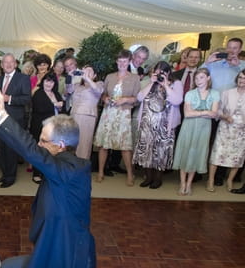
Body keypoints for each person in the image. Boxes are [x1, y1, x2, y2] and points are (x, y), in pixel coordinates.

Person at [0, 88, 124, 268]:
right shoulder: (64, 164)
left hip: (67, 253)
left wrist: (0, 113)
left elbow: (30, 152)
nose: (39, 143)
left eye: (44, 140)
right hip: (65, 249)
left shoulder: (70, 170)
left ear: (61, 145)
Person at [133, 61, 183, 189]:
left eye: (163, 72)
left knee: (161, 151)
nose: (160, 74)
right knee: (146, 150)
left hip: (165, 125)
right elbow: (139, 97)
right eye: (157, 72)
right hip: (147, 123)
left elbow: (177, 100)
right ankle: (148, 177)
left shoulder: (176, 83)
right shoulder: (149, 82)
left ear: (168, 72)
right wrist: (151, 82)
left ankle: (158, 178)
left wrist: (166, 85)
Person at [94, 50, 141, 186]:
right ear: (116, 62)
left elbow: (137, 99)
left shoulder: (134, 78)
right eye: (120, 61)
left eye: (124, 61)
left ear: (129, 62)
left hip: (123, 114)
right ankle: (101, 172)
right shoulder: (110, 76)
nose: (122, 63)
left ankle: (130, 174)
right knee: (104, 145)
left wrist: (125, 99)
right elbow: (102, 95)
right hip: (108, 113)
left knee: (125, 146)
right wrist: (105, 99)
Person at [172, 68, 219, 195]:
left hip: (204, 128)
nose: (199, 80)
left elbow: (214, 114)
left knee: (196, 153)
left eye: (202, 77)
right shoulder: (190, 94)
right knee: (185, 152)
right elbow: (187, 114)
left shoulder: (215, 93)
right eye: (197, 78)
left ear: (208, 78)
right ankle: (182, 184)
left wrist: (197, 112)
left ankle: (189, 184)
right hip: (189, 127)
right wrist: (205, 112)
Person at [0, 53, 31, 188]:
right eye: (5, 62)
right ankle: (5, 174)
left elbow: (26, 98)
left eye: (11, 62)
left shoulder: (23, 78)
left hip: (14, 119)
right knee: (2, 148)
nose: (8, 64)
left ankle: (10, 177)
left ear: (15, 64)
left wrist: (8, 98)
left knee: (10, 149)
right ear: (2, 65)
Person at [210, 70, 245, 193]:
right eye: (240, 77)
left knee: (237, 157)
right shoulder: (227, 93)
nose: (242, 80)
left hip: (241, 131)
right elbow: (217, 110)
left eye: (244, 78)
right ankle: (211, 180)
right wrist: (225, 117)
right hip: (225, 128)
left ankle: (230, 180)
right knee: (217, 154)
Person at [30, 72, 64, 183]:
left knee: (52, 150)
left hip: (54, 128)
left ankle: (48, 172)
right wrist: (55, 105)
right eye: (47, 81)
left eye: (52, 81)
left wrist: (61, 105)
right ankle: (36, 173)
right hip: (40, 127)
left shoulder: (56, 94)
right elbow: (40, 108)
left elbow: (62, 108)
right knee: (40, 151)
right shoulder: (38, 93)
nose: (49, 83)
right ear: (43, 82)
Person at [69, 65, 104, 160]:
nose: (86, 73)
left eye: (89, 72)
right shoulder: (77, 85)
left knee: (84, 143)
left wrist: (87, 79)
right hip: (73, 115)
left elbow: (98, 90)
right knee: (72, 143)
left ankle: (82, 167)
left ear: (95, 75)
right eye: (84, 71)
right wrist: (71, 76)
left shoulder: (99, 84)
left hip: (87, 116)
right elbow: (68, 90)